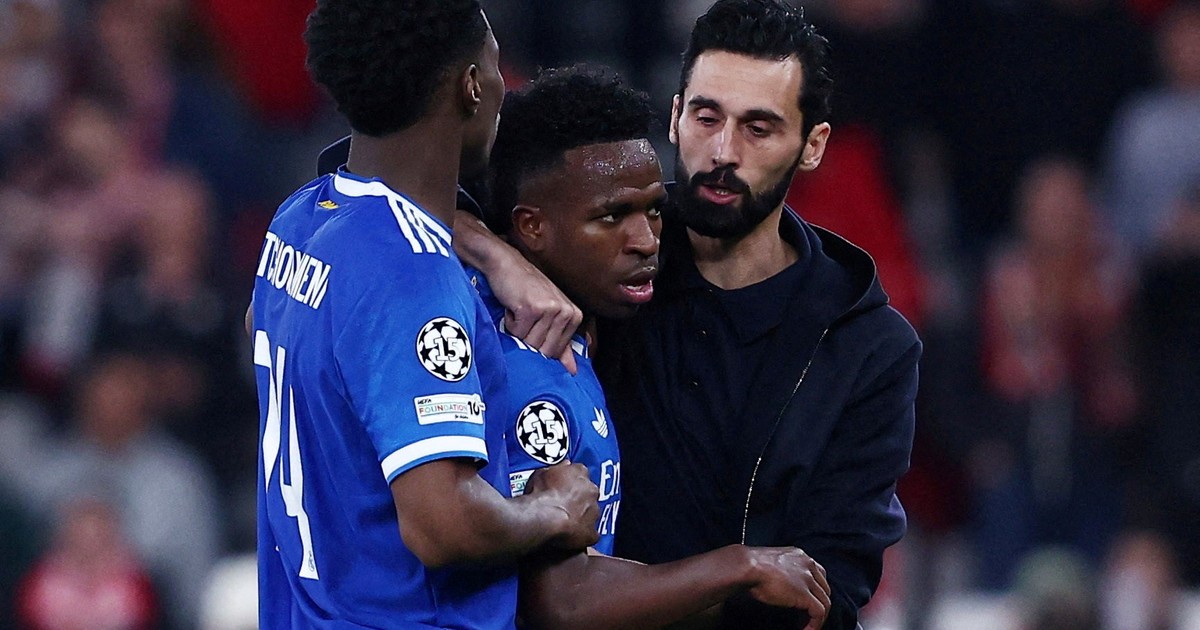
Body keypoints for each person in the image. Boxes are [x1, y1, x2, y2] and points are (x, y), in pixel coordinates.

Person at [249, 1, 599, 628]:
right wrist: (554, 512)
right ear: (471, 85)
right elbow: (443, 524)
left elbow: (263, 325)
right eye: (495, 66)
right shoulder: (413, 277)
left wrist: (484, 248)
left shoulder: (300, 218)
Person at [589, 1, 920, 627]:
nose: (723, 151)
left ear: (812, 145)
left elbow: (826, 593)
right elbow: (419, 201)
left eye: (758, 129)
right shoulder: (596, 260)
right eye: (706, 117)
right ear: (674, 116)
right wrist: (496, 257)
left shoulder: (870, 349)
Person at [478, 64, 831, 629]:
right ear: (532, 227)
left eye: (653, 210)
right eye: (612, 216)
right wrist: (740, 568)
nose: (646, 241)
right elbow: (558, 601)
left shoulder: (581, 324)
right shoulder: (528, 366)